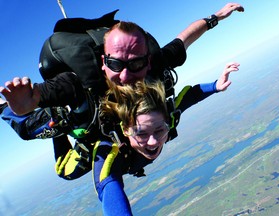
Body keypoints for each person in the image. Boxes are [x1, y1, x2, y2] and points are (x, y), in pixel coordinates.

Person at [0, 3, 243, 178]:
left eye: (135, 64)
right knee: (65, 168)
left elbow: (184, 39)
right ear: (104, 62)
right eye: (116, 65)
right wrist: (24, 106)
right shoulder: (76, 84)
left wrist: (217, 16)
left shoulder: (156, 65)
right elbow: (38, 95)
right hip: (75, 109)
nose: (125, 75)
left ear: (147, 61)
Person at [91, 61, 239, 215]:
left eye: (159, 130)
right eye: (141, 133)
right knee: (67, 171)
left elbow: (190, 95)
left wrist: (216, 85)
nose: (153, 141)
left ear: (167, 122)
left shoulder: (168, 120)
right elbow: (108, 187)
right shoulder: (108, 151)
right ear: (125, 130)